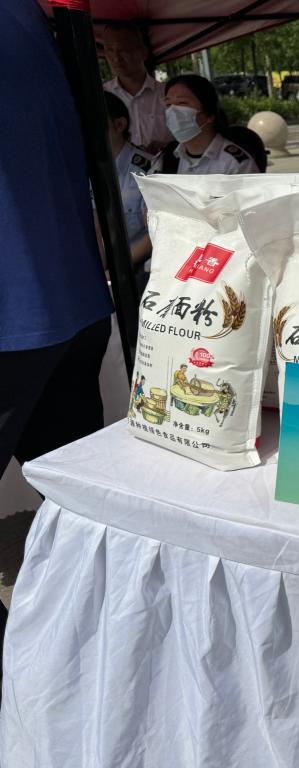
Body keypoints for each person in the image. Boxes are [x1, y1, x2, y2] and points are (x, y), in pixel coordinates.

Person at [2, 0, 115, 687]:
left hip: (15, 310)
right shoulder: (30, 20)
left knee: (76, 502)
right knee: (78, 505)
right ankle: (92, 652)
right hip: (69, 295)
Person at [155, 74, 261, 175]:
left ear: (209, 115)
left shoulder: (235, 164)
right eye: (168, 104)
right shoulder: (166, 158)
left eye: (182, 103)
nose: (172, 111)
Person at [104, 92, 154, 279]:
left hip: (136, 268)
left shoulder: (148, 170)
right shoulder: (81, 171)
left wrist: (117, 270)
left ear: (119, 125)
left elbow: (156, 233)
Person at [103, 23, 173, 154]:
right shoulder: (101, 98)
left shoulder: (169, 95)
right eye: (110, 50)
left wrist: (169, 147)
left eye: (124, 50)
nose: (116, 58)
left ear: (143, 52)